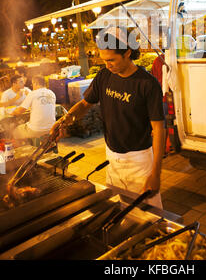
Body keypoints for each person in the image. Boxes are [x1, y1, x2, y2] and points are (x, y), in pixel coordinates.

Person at [50, 26, 166, 208]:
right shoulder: (104, 76)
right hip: (112, 157)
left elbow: (159, 129)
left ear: (127, 53)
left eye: (111, 60)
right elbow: (85, 104)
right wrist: (67, 119)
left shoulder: (147, 84)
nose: (107, 65)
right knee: (118, 210)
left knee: (148, 216)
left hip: (139, 161)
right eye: (104, 60)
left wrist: (155, 173)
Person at [12, 75, 56, 140]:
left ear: (36, 83)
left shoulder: (33, 93)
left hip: (36, 130)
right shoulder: (51, 93)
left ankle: (24, 148)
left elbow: (20, 111)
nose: (32, 86)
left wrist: (13, 112)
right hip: (51, 127)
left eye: (32, 84)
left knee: (15, 131)